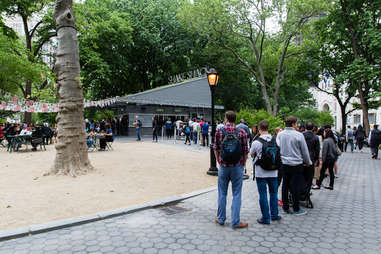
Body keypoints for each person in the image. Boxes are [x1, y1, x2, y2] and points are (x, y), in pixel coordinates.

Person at [214, 111, 248, 228]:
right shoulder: (241, 131)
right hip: (237, 166)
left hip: (224, 166)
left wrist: (219, 161)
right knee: (237, 194)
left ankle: (221, 218)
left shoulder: (219, 130)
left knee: (222, 192)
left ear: (226, 119)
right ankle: (235, 222)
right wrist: (243, 164)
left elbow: (216, 148)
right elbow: (245, 151)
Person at [276, 116, 311, 215]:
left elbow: (278, 145)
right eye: (296, 123)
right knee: (295, 186)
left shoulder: (280, 134)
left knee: (285, 185)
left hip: (284, 163)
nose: (297, 125)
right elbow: (304, 151)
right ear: (293, 124)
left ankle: (285, 207)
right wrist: (308, 162)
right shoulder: (298, 135)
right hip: (296, 164)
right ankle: (296, 208)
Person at [250, 120, 281, 224]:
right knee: (274, 193)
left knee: (263, 195)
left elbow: (252, 154)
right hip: (274, 171)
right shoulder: (276, 140)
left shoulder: (256, 142)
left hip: (261, 172)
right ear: (268, 128)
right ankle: (275, 214)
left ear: (259, 128)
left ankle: (266, 218)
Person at [303, 122, 320, 198]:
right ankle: (307, 192)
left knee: (302, 176)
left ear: (305, 127)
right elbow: (317, 150)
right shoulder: (315, 137)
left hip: (302, 159)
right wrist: (316, 159)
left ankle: (302, 192)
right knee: (309, 177)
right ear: (313, 128)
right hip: (311, 158)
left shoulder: (301, 135)